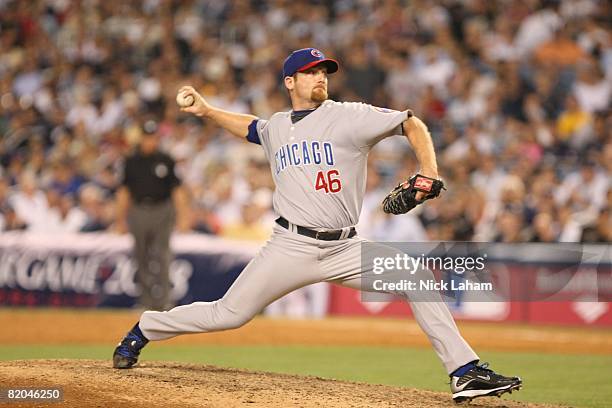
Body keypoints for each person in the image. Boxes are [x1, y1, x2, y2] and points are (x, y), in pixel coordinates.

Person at [112, 48, 522, 403]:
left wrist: (427, 170)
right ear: (290, 81)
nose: (320, 77)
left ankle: (464, 371)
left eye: (324, 71)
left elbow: (411, 123)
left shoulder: (350, 117)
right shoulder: (278, 126)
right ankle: (148, 325)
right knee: (227, 314)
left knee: (415, 276)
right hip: (290, 246)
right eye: (311, 72)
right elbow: (251, 127)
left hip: (346, 249)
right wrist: (206, 110)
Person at [115, 120, 189, 311]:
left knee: (163, 255)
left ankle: (164, 301)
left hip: (162, 210)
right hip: (139, 210)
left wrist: (182, 217)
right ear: (141, 138)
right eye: (147, 137)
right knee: (141, 255)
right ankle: (146, 301)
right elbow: (124, 192)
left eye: (153, 138)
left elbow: (176, 190)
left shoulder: (165, 159)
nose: (150, 142)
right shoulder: (131, 161)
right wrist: (120, 219)